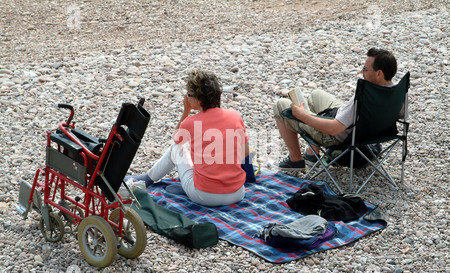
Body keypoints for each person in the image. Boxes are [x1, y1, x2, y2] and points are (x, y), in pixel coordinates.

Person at [126, 69, 254, 207]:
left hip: (205, 196)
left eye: (188, 94)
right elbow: (245, 154)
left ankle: (147, 179)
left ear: (198, 99)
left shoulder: (191, 122)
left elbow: (177, 140)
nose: (186, 97)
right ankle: (192, 183)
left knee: (176, 149)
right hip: (237, 193)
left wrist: (186, 111)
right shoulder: (235, 116)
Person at [273, 47, 404, 170]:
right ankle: (312, 154)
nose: (361, 72)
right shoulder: (399, 93)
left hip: (336, 137)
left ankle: (295, 160)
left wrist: (303, 116)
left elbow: (334, 129)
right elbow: (401, 117)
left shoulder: (365, 96)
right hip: (366, 133)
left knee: (280, 105)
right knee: (316, 95)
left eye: (365, 69)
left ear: (379, 74)